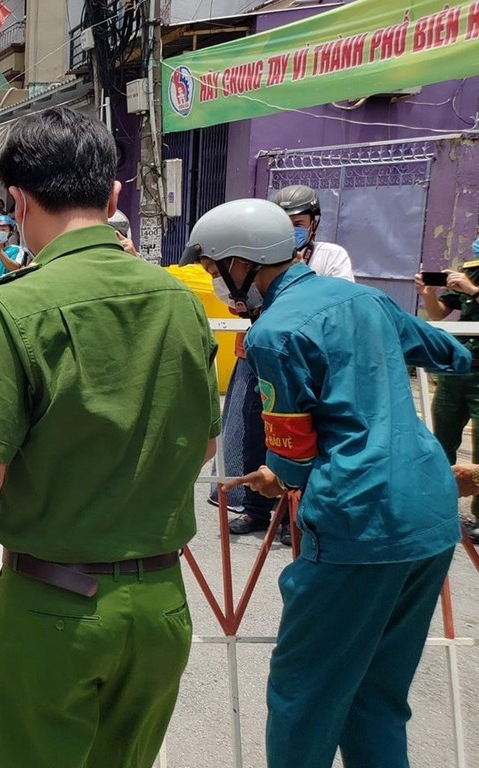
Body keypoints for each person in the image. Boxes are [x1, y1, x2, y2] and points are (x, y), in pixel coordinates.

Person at [0, 107, 219, 768]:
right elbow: (203, 443)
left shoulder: (13, 308)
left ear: (19, 199)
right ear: (113, 196)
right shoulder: (180, 301)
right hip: (160, 607)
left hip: (55, 611)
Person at [186, 198, 469, 768]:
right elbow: (454, 353)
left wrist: (275, 475)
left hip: (356, 522)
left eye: (217, 268)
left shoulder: (274, 334)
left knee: (304, 700)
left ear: (244, 264)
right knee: (377, 699)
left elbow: (291, 460)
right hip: (432, 517)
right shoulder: (366, 299)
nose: (216, 282)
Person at [215, 185, 356, 544]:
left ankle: (295, 515)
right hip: (258, 354)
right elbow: (238, 294)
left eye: (298, 222)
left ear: (313, 223)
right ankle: (255, 507)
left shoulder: (329, 255)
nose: (292, 228)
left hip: (306, 361)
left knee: (302, 437)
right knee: (253, 430)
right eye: (284, 222)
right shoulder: (258, 254)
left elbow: (331, 297)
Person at [419, 235, 479, 541]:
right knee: (441, 439)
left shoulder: (472, 281)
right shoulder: (470, 269)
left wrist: (472, 291)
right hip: (457, 370)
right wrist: (428, 293)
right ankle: (436, 505)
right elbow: (439, 313)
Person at [270, 184, 355, 280]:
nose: (290, 230)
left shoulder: (331, 256)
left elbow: (341, 293)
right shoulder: (266, 256)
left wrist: (305, 276)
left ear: (313, 225)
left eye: (298, 224)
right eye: (285, 224)